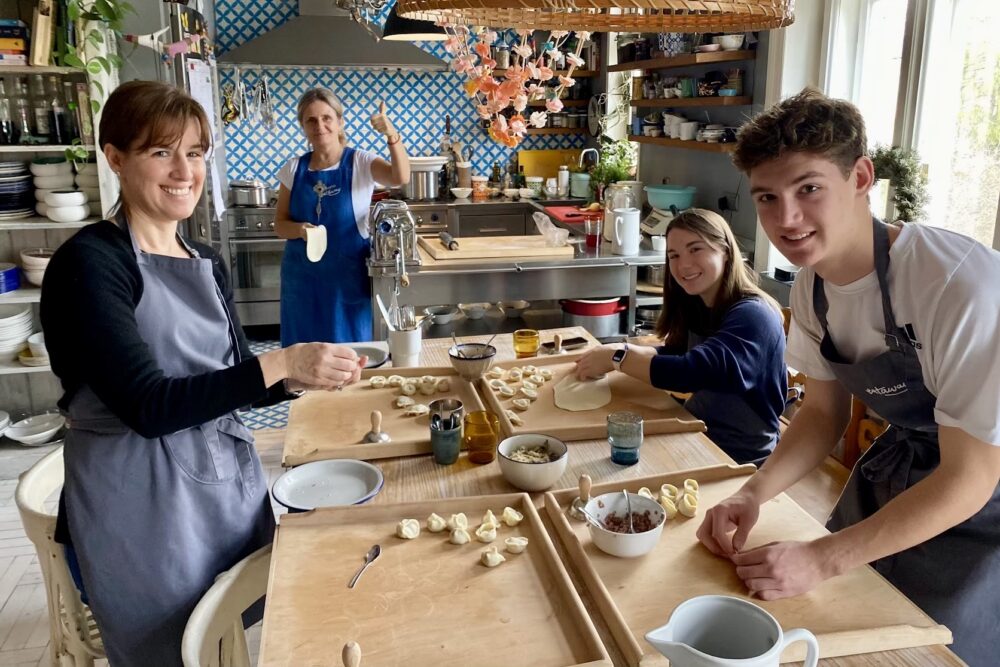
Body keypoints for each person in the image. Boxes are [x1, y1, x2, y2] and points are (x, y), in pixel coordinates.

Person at [39, 80, 367, 667]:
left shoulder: (205, 261)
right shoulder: (90, 264)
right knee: (169, 650)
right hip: (139, 508)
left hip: (221, 489)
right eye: (160, 152)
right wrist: (281, 362)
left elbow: (236, 373)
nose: (183, 171)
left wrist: (304, 373)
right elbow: (148, 406)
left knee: (235, 634)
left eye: (194, 152)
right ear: (114, 157)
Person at [696, 89, 1000, 666]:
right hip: (903, 467)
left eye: (808, 189)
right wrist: (751, 492)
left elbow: (973, 474)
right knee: (840, 627)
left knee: (932, 648)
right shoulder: (812, 287)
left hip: (983, 495)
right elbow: (821, 415)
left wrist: (824, 555)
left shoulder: (958, 286)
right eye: (767, 197)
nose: (786, 219)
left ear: (861, 176)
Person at [575, 208, 787, 466]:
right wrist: (621, 349)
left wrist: (617, 357)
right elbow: (679, 351)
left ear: (726, 251)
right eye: (673, 255)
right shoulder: (701, 303)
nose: (683, 264)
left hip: (739, 455)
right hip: (695, 429)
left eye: (695, 249)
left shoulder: (754, 315)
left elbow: (693, 371)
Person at [274, 88, 410, 345]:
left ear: (339, 122)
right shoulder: (293, 168)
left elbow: (399, 177)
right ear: (302, 126)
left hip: (346, 278)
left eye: (327, 118)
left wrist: (392, 135)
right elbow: (280, 225)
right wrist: (300, 230)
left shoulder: (360, 162)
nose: (320, 126)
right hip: (301, 281)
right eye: (311, 120)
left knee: (350, 353)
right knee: (303, 355)